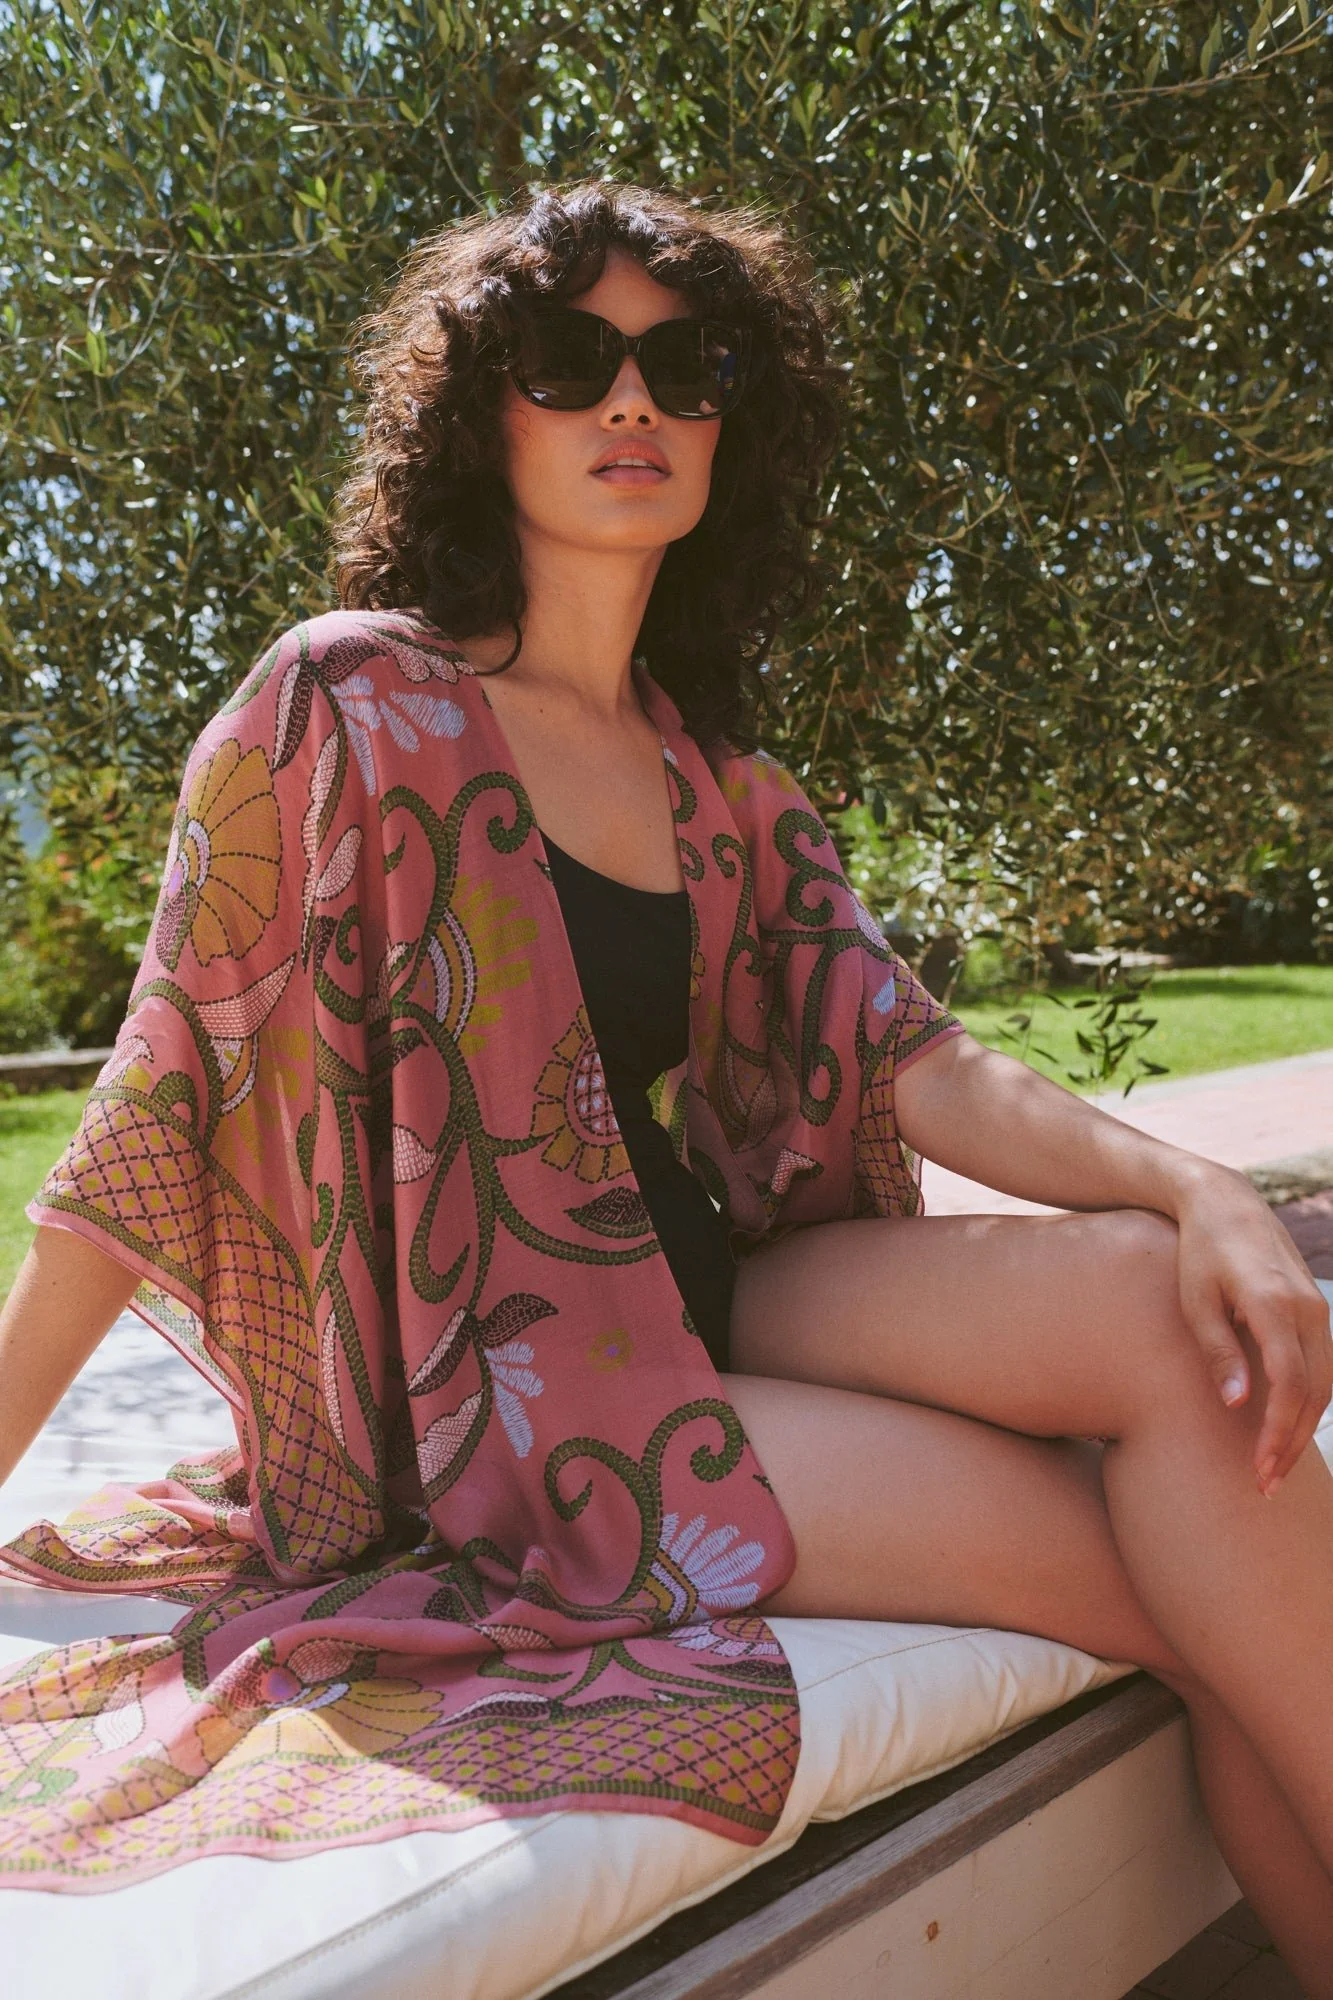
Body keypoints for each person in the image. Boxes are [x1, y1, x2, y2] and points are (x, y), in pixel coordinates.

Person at [1, 182, 1331, 1985]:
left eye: (684, 366)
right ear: (484, 415)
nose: (632, 400)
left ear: (729, 425)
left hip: (709, 1288)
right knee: (1195, 1596)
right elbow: (154, 1110)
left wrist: (1197, 1188)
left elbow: (917, 1055)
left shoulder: (719, 786)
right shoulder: (349, 709)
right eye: (569, 359)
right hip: (531, 1398)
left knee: (1168, 1312)